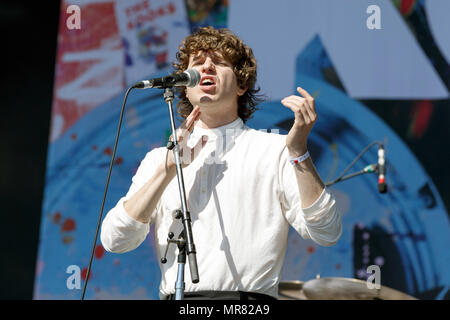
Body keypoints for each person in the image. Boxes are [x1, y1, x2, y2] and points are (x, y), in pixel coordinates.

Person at [100, 26, 342, 300]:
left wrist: (299, 152)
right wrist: (166, 173)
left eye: (219, 62)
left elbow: (327, 231)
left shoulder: (275, 149)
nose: (207, 67)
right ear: (184, 86)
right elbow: (115, 240)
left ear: (241, 85)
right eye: (197, 63)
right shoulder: (160, 160)